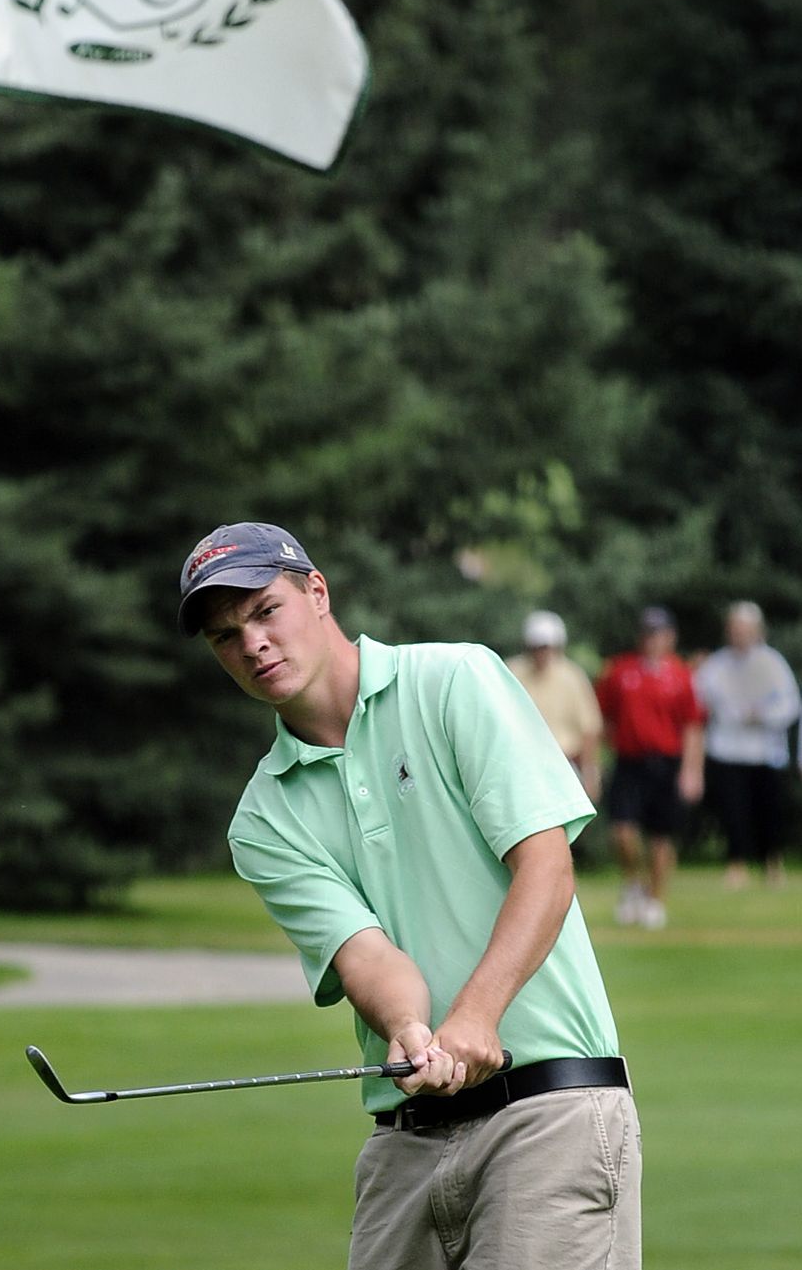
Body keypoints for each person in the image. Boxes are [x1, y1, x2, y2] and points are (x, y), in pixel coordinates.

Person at [178, 522, 640, 1270]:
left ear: (317, 592)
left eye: (266, 611)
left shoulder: (453, 680)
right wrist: (410, 1028)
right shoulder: (263, 818)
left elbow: (546, 867)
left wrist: (477, 1014)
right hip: (405, 1145)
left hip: (548, 1112)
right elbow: (368, 956)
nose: (253, 644)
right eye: (225, 636)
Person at [595, 606, 705, 929]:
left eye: (658, 633)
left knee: (661, 836)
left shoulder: (680, 675)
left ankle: (655, 899)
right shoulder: (621, 670)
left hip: (666, 763)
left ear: (670, 637)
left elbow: (692, 726)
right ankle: (633, 883)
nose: (652, 640)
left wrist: (692, 770)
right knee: (622, 831)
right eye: (647, 633)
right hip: (629, 762)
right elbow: (602, 715)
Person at [694, 602, 799, 889]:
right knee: (733, 810)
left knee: (769, 810)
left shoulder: (772, 663)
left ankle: (772, 861)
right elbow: (699, 699)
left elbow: (789, 704)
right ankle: (736, 862)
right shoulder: (716, 665)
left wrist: (763, 716)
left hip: (765, 751)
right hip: (728, 750)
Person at [506, 610, 604, 803]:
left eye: (546, 647)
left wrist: (589, 772)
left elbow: (589, 728)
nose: (542, 653)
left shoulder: (572, 676)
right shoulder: (512, 672)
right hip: (521, 765)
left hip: (563, 763)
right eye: (537, 647)